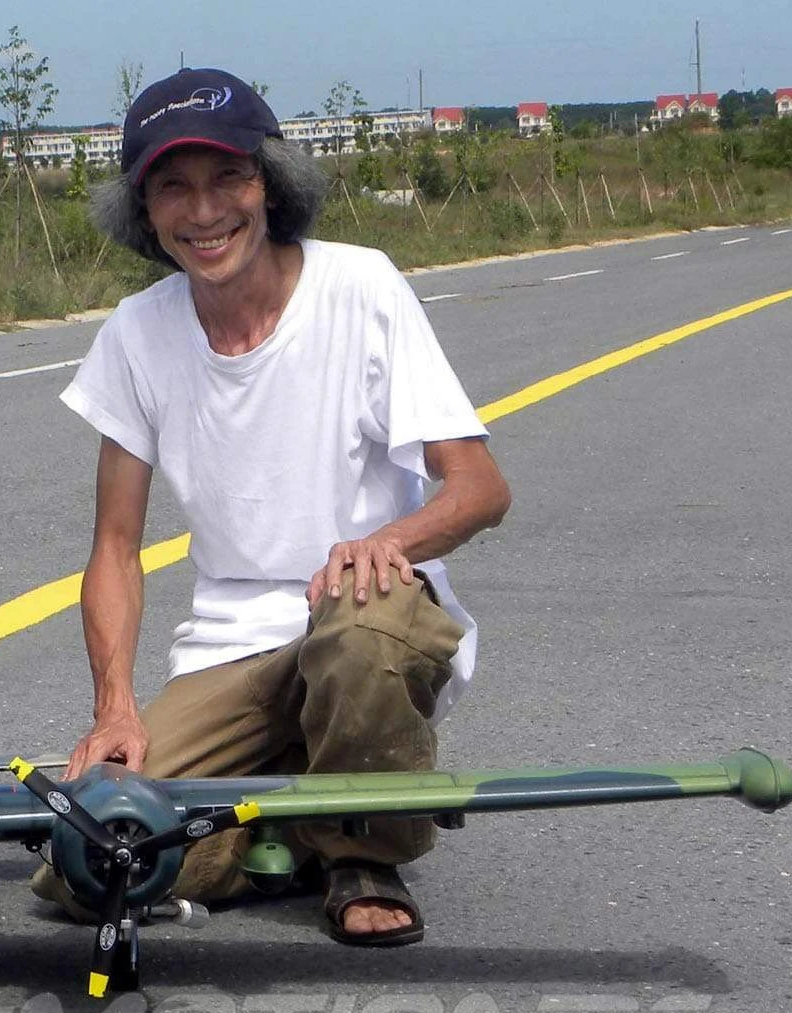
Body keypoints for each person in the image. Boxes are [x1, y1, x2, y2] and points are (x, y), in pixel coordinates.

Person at [38, 68, 511, 945]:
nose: (204, 211)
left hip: (364, 622)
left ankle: (364, 855)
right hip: (231, 646)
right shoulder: (137, 332)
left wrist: (384, 542)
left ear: (273, 183)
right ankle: (309, 809)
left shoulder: (360, 288)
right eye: (173, 187)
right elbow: (114, 547)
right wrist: (116, 709)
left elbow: (480, 487)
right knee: (93, 865)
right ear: (143, 212)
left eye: (230, 177)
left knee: (360, 624)